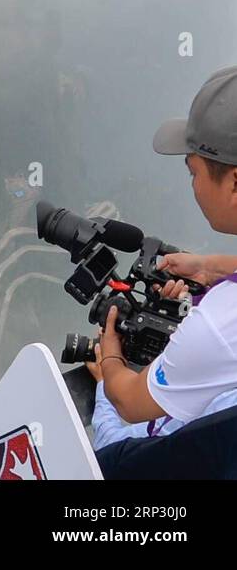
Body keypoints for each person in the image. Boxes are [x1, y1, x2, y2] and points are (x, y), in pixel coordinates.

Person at [90, 67, 237, 450]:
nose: (193, 186)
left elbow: (131, 403)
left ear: (235, 183)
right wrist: (210, 267)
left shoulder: (221, 325)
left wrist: (109, 361)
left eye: (193, 172)